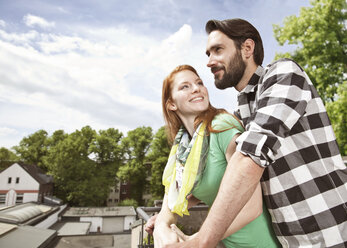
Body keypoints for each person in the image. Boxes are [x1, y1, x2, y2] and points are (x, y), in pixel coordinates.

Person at [167, 19, 347, 248]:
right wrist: (174, 211)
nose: (210, 62)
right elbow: (226, 178)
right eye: (208, 54)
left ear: (247, 49)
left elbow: (249, 158)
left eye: (218, 50)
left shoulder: (283, 74)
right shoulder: (242, 111)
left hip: (333, 232)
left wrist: (202, 240)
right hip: (290, 241)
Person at [152, 64, 281, 247]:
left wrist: (196, 240)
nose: (196, 88)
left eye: (199, 83)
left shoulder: (222, 126)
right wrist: (161, 224)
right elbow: (174, 197)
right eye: (185, 86)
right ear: (171, 104)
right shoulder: (183, 147)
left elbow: (252, 207)